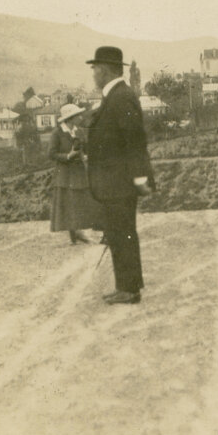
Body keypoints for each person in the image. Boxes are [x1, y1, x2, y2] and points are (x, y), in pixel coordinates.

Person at [84, 46, 153, 305]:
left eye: (95, 69)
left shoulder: (121, 96)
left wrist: (138, 177)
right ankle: (125, 285)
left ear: (105, 70)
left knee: (123, 233)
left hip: (120, 182)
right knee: (117, 233)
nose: (93, 74)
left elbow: (134, 140)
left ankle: (130, 289)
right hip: (114, 182)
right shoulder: (114, 95)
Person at [47, 103, 98, 245]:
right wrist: (68, 156)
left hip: (79, 172)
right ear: (70, 119)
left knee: (79, 202)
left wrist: (84, 156)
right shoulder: (57, 133)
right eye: (77, 116)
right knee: (69, 203)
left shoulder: (79, 131)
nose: (80, 117)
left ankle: (78, 233)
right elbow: (51, 154)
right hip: (64, 174)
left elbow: (85, 149)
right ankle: (74, 234)